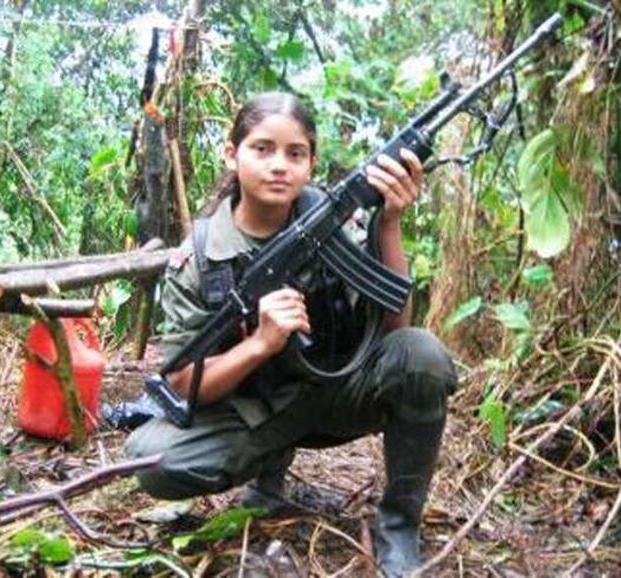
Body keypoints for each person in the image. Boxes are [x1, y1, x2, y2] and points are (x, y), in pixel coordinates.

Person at [125, 92, 457, 577]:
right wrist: (259, 344)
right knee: (151, 460)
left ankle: (399, 526)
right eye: (262, 149)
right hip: (258, 413)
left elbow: (394, 328)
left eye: (295, 153)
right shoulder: (198, 256)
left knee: (422, 355)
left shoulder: (336, 221)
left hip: (340, 391)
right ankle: (270, 466)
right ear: (231, 153)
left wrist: (389, 221)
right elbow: (179, 382)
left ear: (311, 162)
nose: (279, 166)